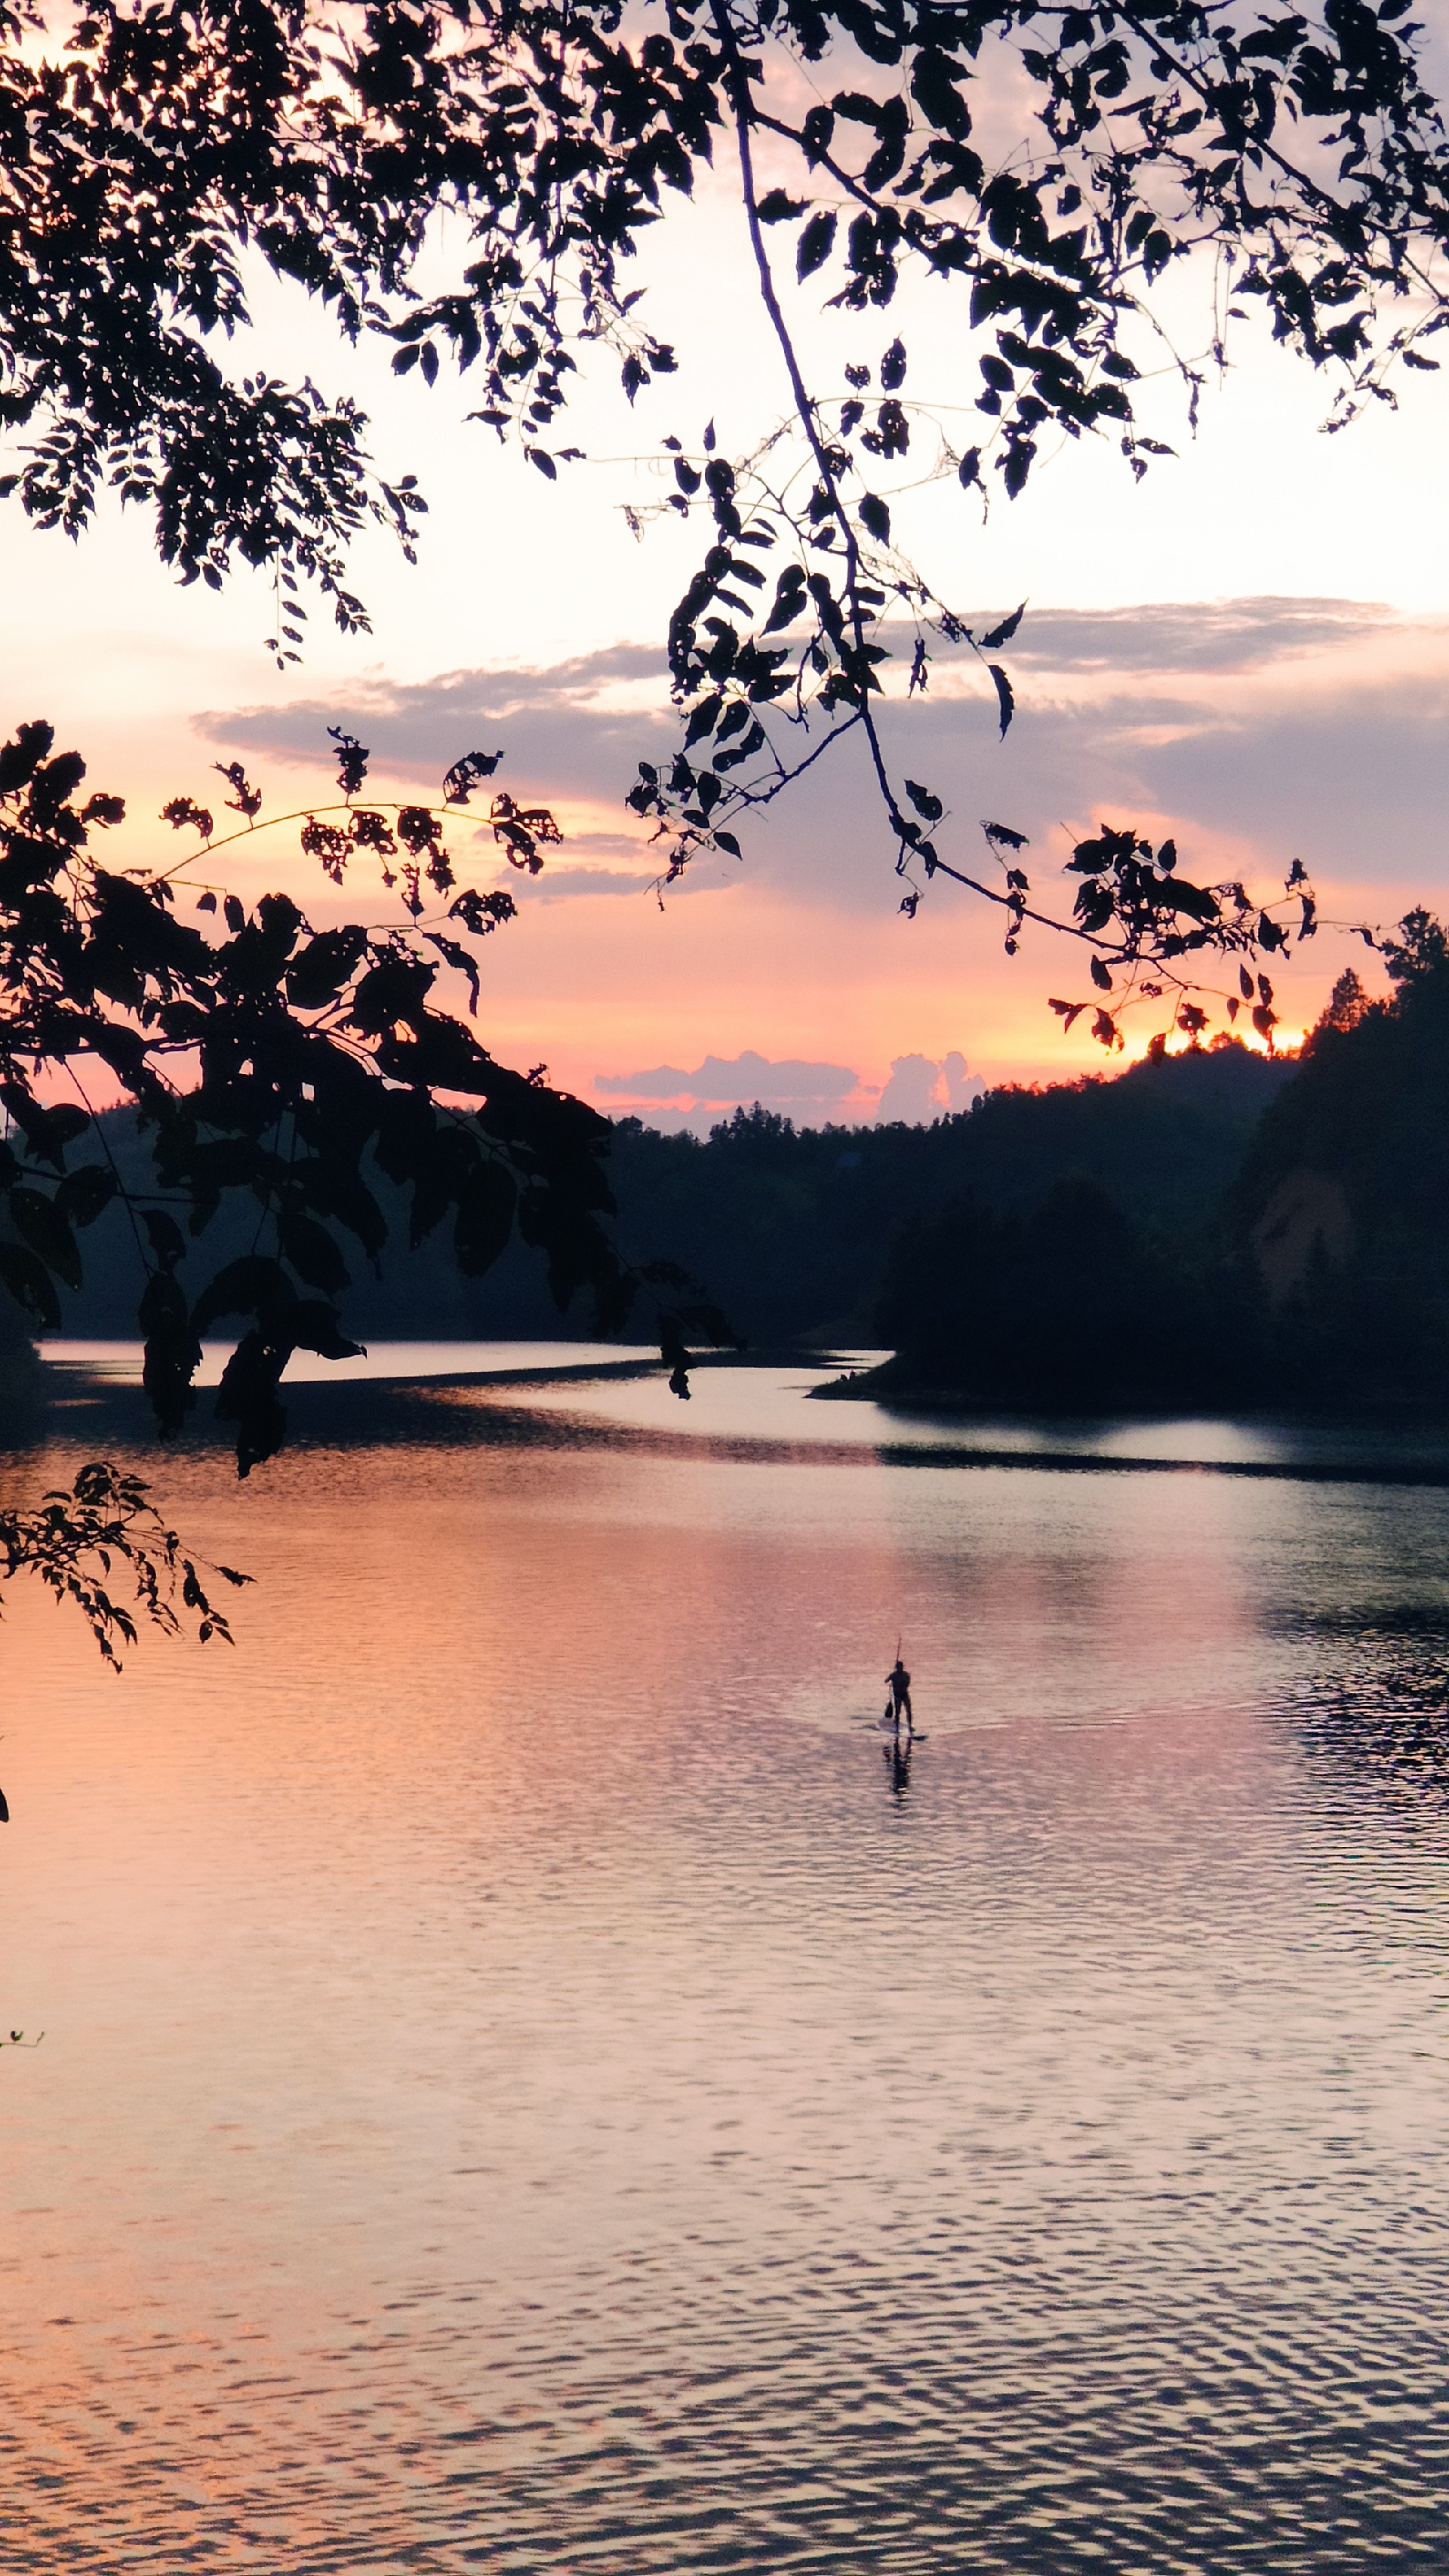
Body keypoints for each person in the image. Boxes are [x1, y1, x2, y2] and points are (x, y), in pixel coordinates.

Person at [884, 1657, 912, 1736]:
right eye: (899, 1667)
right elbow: (886, 1681)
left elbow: (907, 1683)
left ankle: (910, 1726)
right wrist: (891, 1677)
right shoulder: (894, 1675)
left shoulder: (906, 1675)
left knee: (909, 1711)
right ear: (897, 1668)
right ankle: (896, 1728)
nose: (900, 1669)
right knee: (897, 1712)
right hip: (897, 1696)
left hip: (904, 1695)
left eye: (901, 1667)